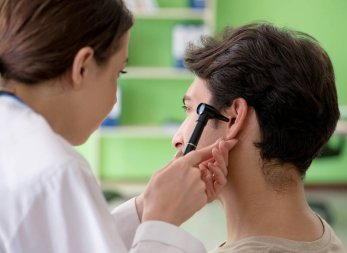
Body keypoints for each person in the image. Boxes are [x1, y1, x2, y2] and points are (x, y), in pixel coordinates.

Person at [0, 0, 237, 252]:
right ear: (83, 66)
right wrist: (162, 221)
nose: (115, 98)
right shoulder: (57, 170)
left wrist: (147, 205)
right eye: (118, 72)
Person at [172, 23, 345, 252]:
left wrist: (157, 226)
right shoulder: (320, 236)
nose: (177, 139)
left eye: (191, 109)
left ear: (234, 118)